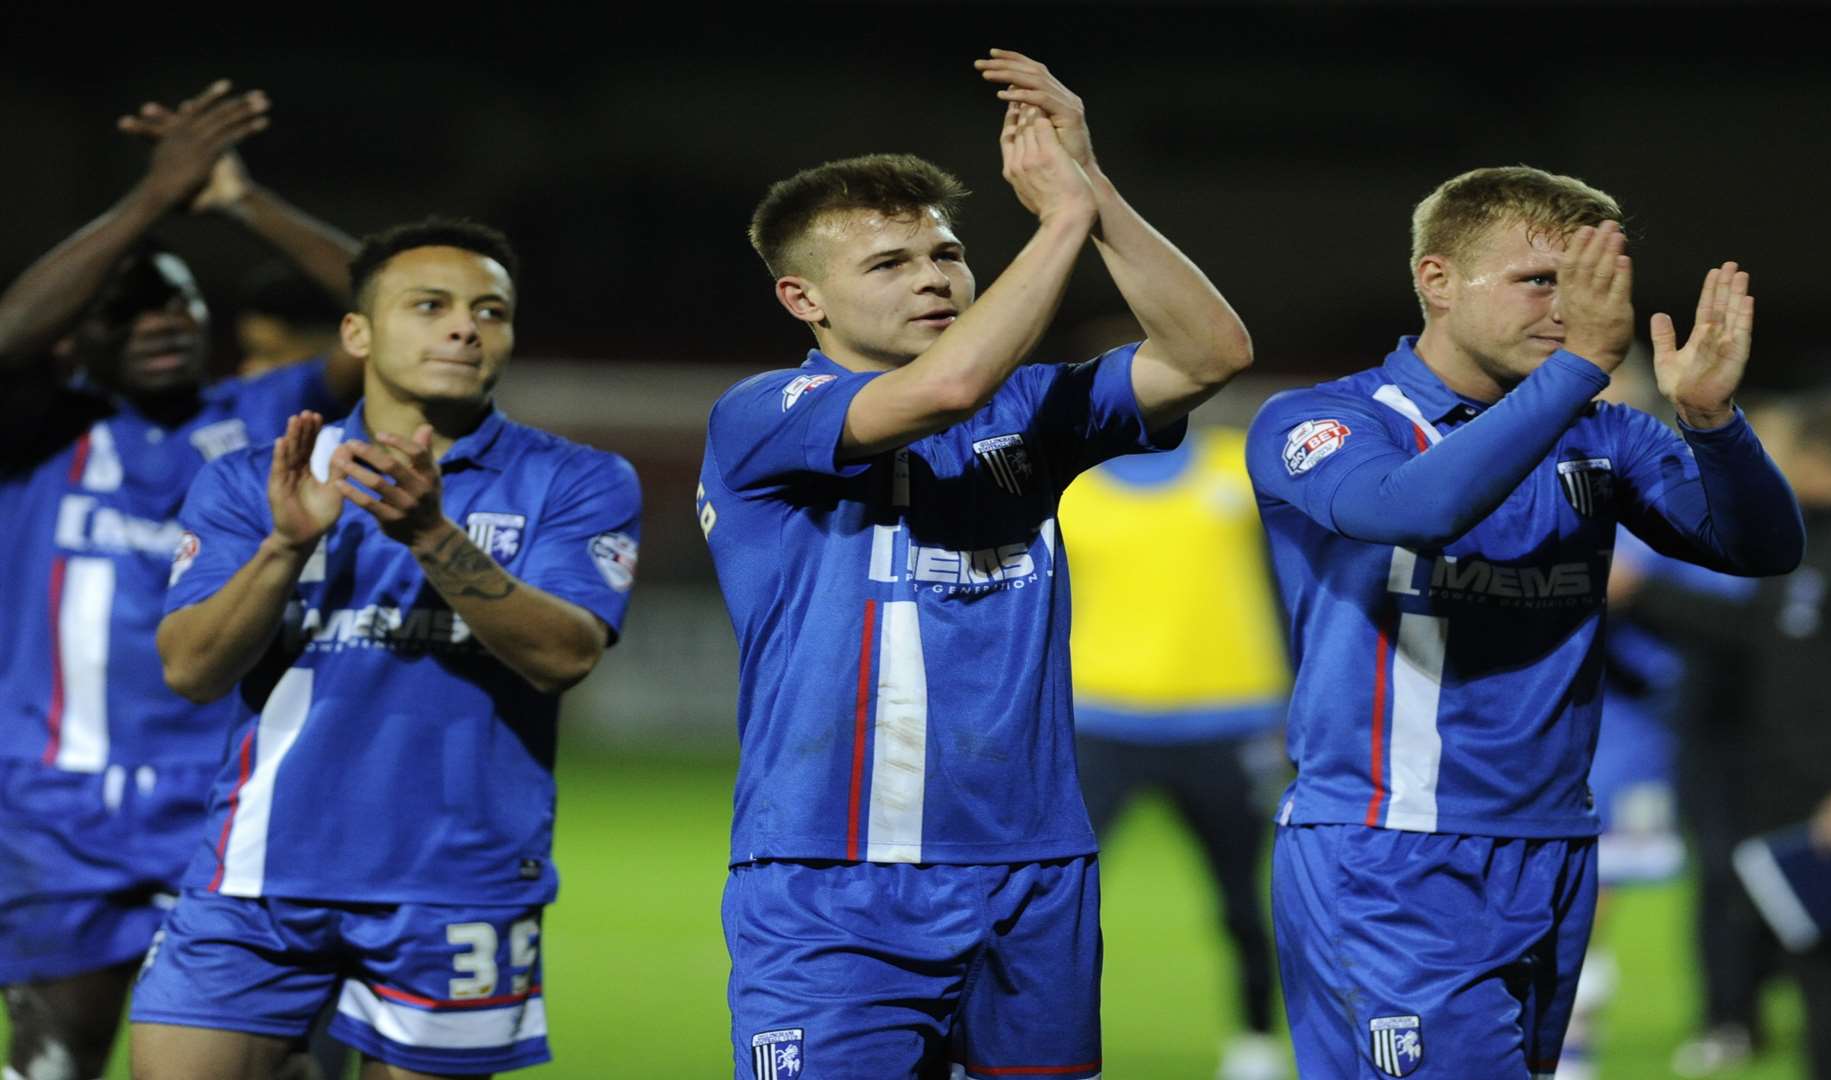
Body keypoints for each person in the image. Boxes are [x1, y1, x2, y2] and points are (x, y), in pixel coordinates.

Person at [699, 50, 1251, 1079]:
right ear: (802, 299)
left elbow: (1212, 354)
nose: (934, 278)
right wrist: (1057, 228)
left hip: (1034, 869)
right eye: (889, 264)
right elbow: (945, 389)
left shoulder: (1031, 408)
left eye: (946, 254)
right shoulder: (761, 417)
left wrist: (1096, 192)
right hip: (833, 872)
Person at [1245, 166, 1805, 1078]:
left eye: (1593, 284)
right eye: (1540, 280)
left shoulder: (1603, 435)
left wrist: (1711, 421)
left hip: (1554, 847)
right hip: (1391, 851)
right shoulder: (1325, 420)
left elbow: (1759, 548)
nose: (1571, 308)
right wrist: (1582, 368)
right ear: (1436, 281)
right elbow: (1414, 508)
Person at [126, 219, 642, 1080]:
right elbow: (190, 669)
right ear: (357, 333)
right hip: (255, 875)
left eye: (491, 311)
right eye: (431, 305)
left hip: (459, 887)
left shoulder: (577, 480)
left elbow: (564, 656)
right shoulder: (256, 477)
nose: (465, 327)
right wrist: (284, 548)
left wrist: (433, 536)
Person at [0, 80, 362, 1080]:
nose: (164, 321)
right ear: (75, 338)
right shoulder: (34, 439)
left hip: (234, 808)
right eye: (130, 308)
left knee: (287, 1068)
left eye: (180, 303)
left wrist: (243, 203)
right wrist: (151, 202)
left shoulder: (270, 413)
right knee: (50, 1064)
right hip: (55, 816)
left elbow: (390, 310)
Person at [1625, 390, 1831, 1080]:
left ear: (1822, 461)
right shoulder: (1807, 546)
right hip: (1797, 806)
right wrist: (1640, 596)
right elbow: (1753, 639)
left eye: (1779, 452)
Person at [1058, 418, 1292, 1080]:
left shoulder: (1236, 469)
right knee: (1056, 897)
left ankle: (1257, 1044)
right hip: (1103, 718)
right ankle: (1038, 1043)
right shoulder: (1071, 490)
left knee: (1246, 897)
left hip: (1232, 717)